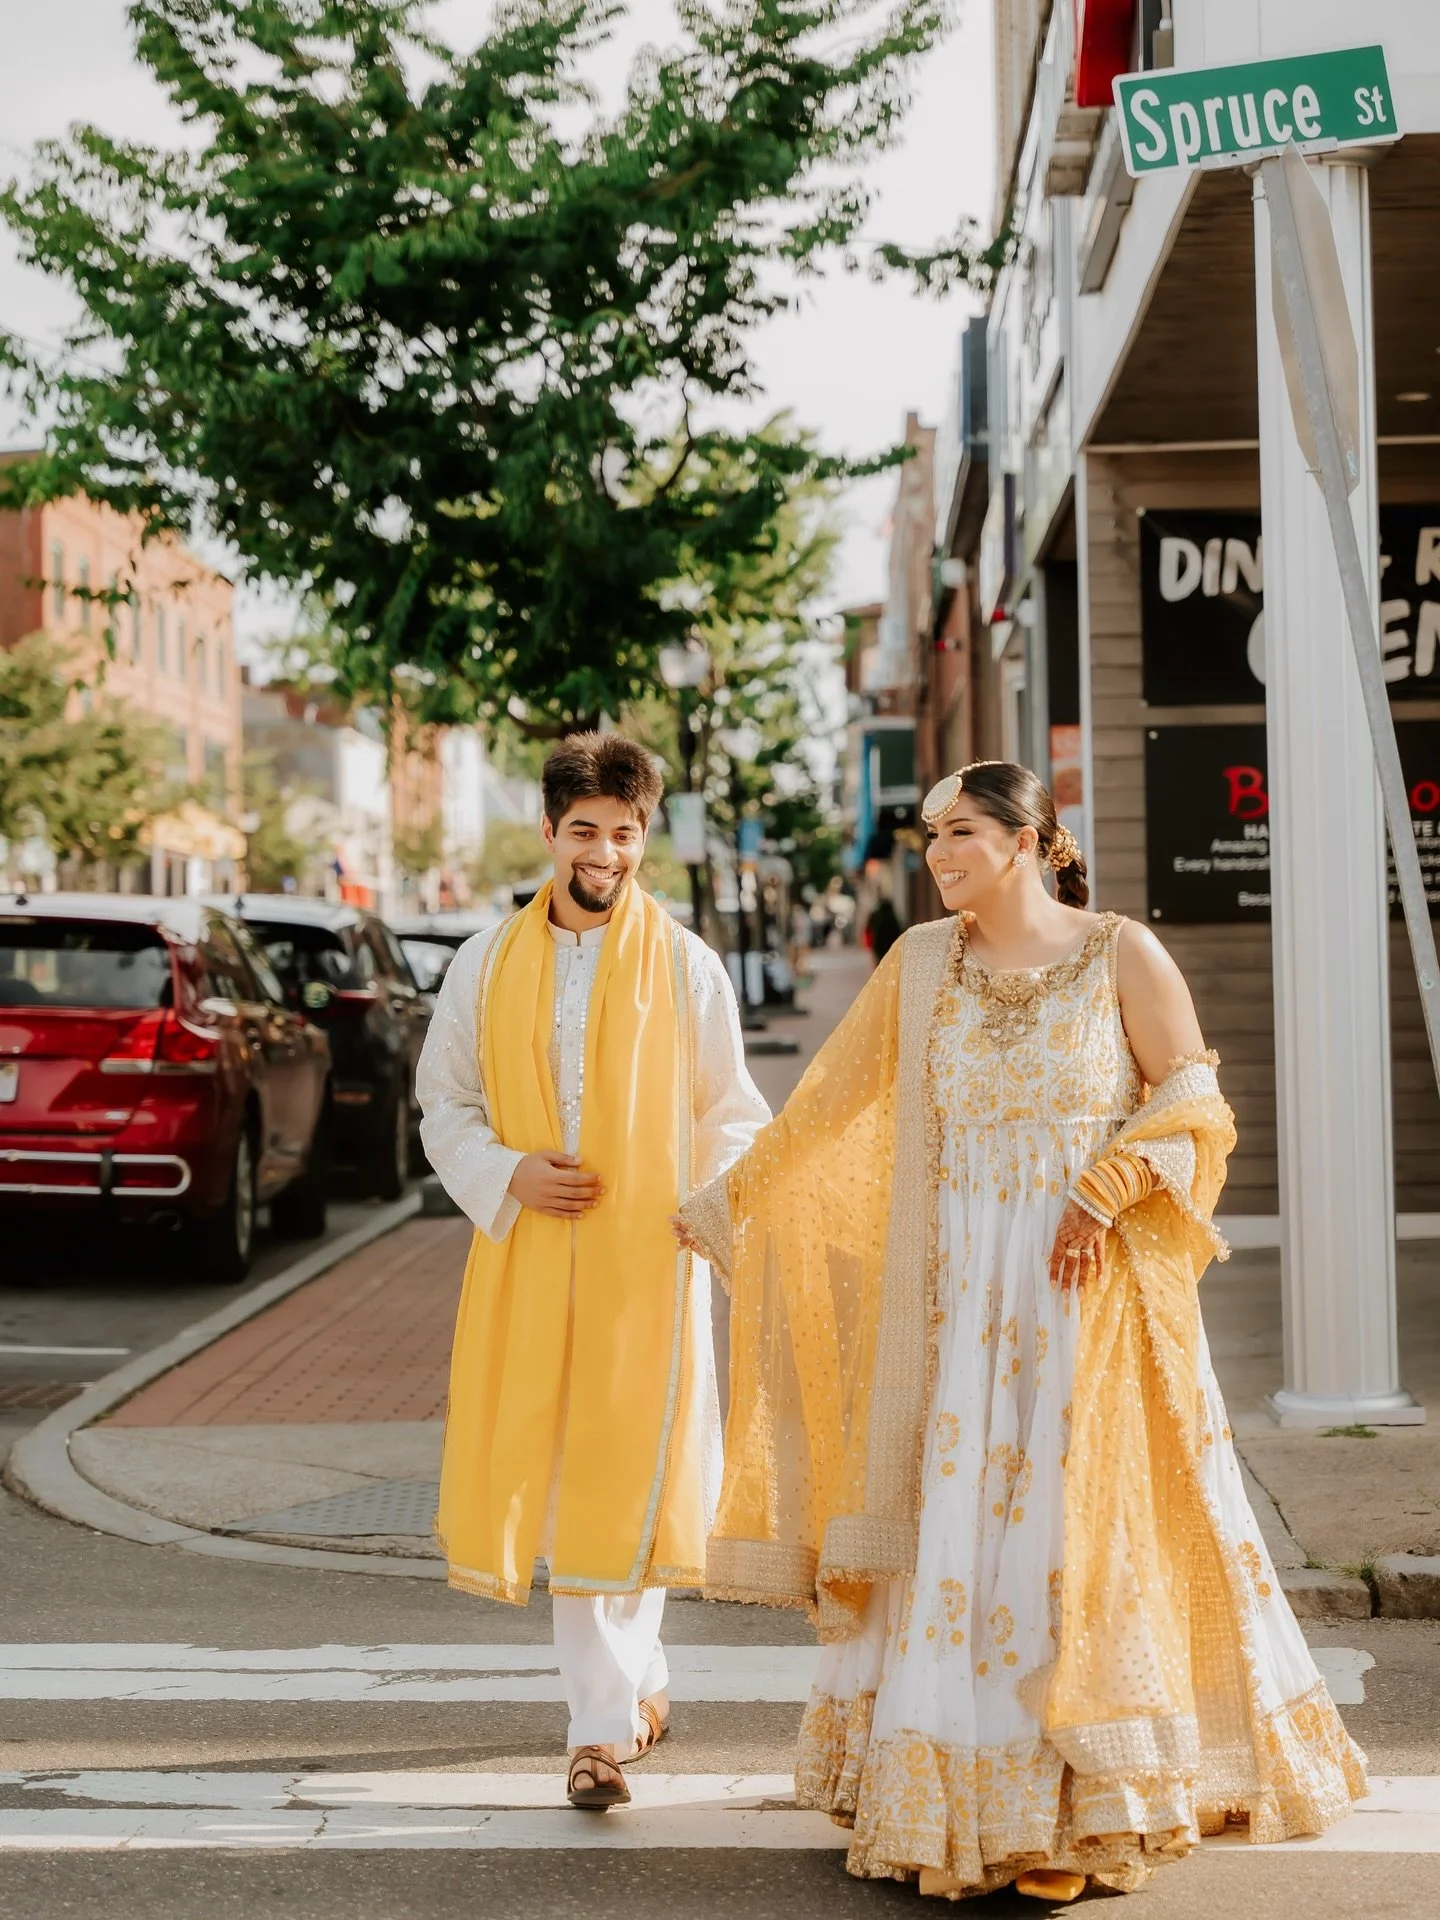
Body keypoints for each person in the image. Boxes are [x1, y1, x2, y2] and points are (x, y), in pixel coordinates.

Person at [676, 760, 1365, 1900]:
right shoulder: (918, 965)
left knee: (1071, 1530)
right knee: (963, 1536)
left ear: (1031, 840)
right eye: (931, 834)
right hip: (956, 1309)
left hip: (1087, 1296)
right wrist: (721, 1207)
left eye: (960, 833)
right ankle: (964, 1792)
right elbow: (826, 1110)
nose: (938, 854)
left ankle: (1086, 1805)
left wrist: (1112, 1182)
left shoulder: (1119, 952)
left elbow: (1195, 1105)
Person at [418, 732, 770, 1810]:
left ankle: (598, 1735)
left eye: (624, 833)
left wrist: (701, 1210)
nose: (604, 853)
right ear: (548, 832)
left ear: (643, 836)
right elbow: (446, 1104)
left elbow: (734, 1116)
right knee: (568, 1477)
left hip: (644, 1272)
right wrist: (509, 1172)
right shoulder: (483, 963)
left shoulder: (688, 966)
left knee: (627, 1473)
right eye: (585, 831)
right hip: (526, 1263)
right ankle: (631, 1696)